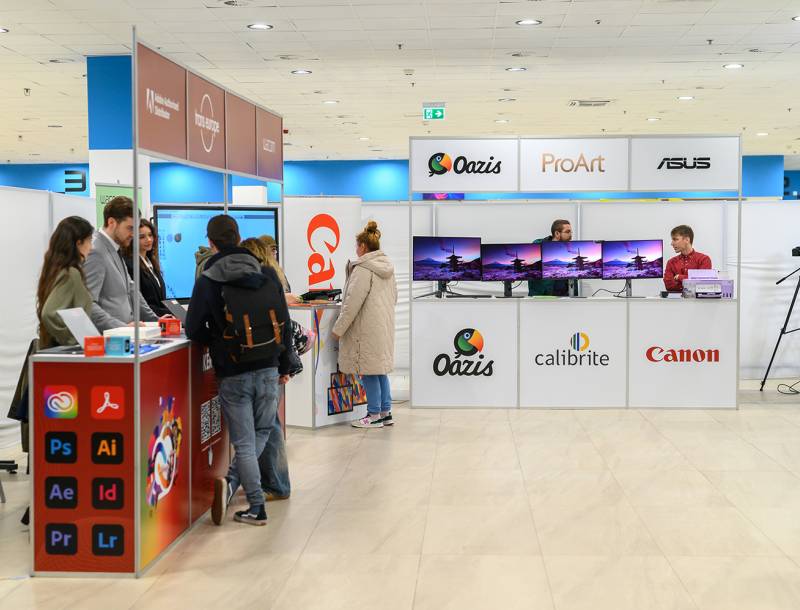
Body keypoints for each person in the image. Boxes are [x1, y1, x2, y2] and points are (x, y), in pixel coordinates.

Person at [185, 215, 293, 526]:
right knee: (262, 432)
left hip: (232, 371)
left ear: (211, 242)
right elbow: (284, 323)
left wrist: (218, 341)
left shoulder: (208, 279)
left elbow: (193, 329)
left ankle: (254, 504)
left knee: (244, 442)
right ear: (238, 236)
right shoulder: (265, 273)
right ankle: (237, 489)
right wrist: (284, 364)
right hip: (268, 365)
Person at [332, 221, 398, 429]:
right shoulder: (387, 267)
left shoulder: (362, 269)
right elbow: (394, 297)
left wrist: (338, 329)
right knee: (379, 370)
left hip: (366, 330)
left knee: (368, 370)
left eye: (356, 245)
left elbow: (351, 304)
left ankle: (374, 415)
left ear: (362, 246)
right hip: (383, 327)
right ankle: (386, 413)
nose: (355, 249)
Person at [84, 196, 158, 330]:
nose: (134, 234)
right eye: (130, 228)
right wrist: (122, 327)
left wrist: (156, 321)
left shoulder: (116, 248)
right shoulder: (95, 251)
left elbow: (132, 290)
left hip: (124, 335)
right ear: (111, 222)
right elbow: (88, 303)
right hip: (111, 336)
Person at [37, 216, 95, 347]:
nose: (91, 247)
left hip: (53, 349)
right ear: (79, 243)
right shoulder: (70, 273)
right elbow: (49, 314)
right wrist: (73, 339)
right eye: (89, 241)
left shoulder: (54, 269)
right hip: (63, 351)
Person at [122, 218, 169, 318]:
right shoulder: (130, 265)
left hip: (161, 318)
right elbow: (140, 303)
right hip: (147, 320)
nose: (148, 240)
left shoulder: (151, 262)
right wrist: (169, 313)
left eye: (150, 235)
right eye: (142, 237)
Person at [528, 219, 572, 297]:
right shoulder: (538, 245)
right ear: (557, 233)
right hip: (540, 296)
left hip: (561, 297)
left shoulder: (567, 249)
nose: (570, 235)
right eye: (567, 232)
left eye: (571, 232)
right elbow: (529, 265)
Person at [664, 224, 713, 293]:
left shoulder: (704, 259)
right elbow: (669, 286)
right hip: (676, 300)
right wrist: (692, 281)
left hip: (697, 300)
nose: (672, 243)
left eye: (675, 239)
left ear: (687, 240)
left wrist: (679, 277)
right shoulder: (671, 262)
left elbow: (702, 284)